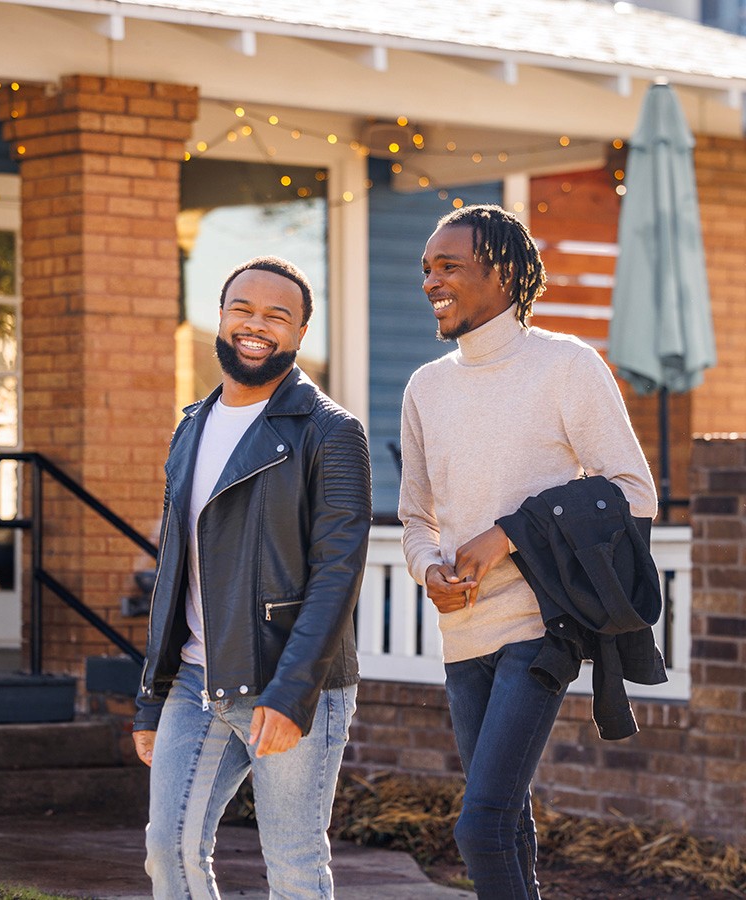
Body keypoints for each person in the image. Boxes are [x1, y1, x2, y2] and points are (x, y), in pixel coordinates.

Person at [398, 204, 659, 899]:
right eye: (427, 268)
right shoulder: (426, 387)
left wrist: (508, 533)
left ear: (505, 273)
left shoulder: (566, 365)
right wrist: (429, 571)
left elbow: (635, 493)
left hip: (541, 627)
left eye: (449, 266)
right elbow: (415, 517)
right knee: (506, 817)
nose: (431, 281)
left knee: (478, 826)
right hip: (462, 632)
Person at [132, 256, 372, 899]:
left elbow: (338, 575)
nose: (255, 325)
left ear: (298, 334)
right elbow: (173, 570)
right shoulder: (191, 427)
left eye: (277, 315)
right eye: (242, 309)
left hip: (293, 684)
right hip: (195, 678)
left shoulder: (330, 432)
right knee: (169, 851)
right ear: (220, 317)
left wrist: (292, 695)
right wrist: (151, 697)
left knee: (293, 867)